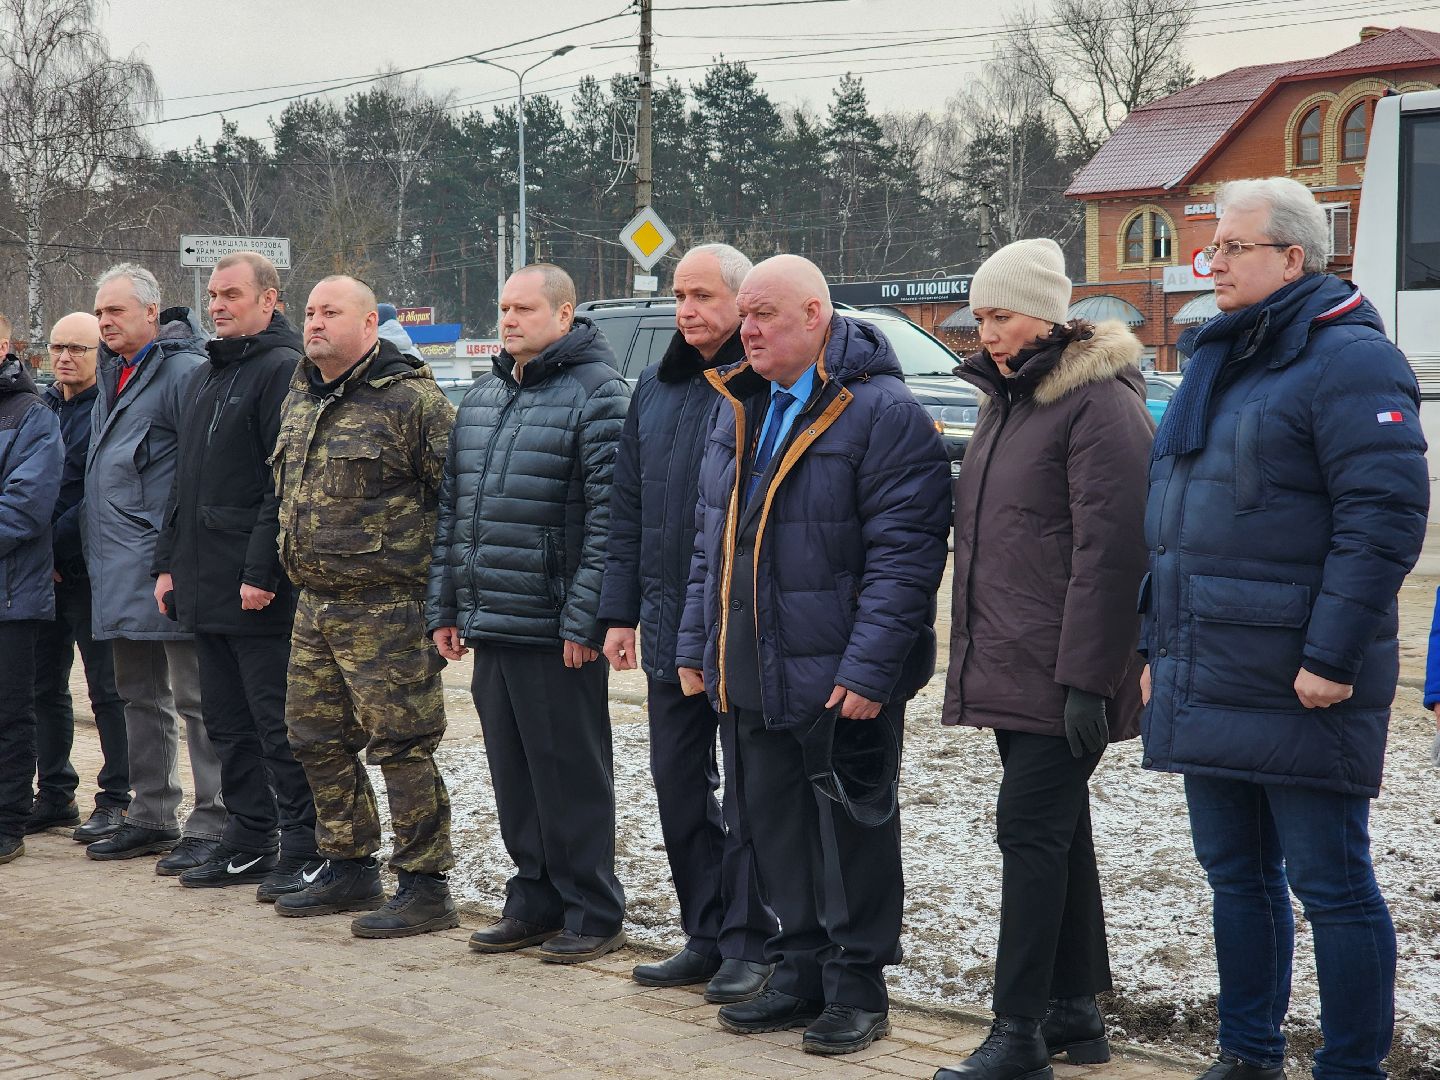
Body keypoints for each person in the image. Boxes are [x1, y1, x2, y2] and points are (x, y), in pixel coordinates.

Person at [1141, 177, 1428, 1080]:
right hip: (1211, 665)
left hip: (1302, 676)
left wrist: (1331, 656)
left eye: (1231, 247)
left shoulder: (1351, 359)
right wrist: (1156, 647)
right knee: (1237, 877)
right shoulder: (1227, 355)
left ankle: (1351, 1067)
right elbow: (1176, 520)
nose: (1212, 262)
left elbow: (1382, 518)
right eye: (1212, 247)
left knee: (1332, 886)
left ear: (1292, 258)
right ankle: (1248, 1052)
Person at [675, 254, 951, 1055]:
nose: (747, 329)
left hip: (839, 679)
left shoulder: (882, 412)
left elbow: (907, 558)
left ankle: (859, 988)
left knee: (851, 836)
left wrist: (868, 672)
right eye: (746, 314)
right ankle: (798, 971)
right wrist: (700, 643)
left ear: (816, 316)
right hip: (752, 664)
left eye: (764, 315)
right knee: (775, 828)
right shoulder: (740, 406)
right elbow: (710, 545)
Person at [933, 239, 1155, 1080]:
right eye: (981, 317)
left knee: (1028, 833)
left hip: (1065, 674)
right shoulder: (1009, 399)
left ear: (1051, 313)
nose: (987, 332)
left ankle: (1017, 1031)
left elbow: (1114, 552)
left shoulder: (1095, 402)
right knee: (1059, 837)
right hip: (1017, 661)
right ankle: (1074, 1013)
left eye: (1002, 315)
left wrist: (1086, 680)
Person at [428, 263, 630, 963]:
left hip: (554, 628)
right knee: (514, 773)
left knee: (569, 774)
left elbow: (609, 520)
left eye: (523, 308)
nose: (508, 319)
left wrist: (585, 619)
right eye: (503, 307)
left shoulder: (599, 394)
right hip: (492, 620)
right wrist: (447, 604)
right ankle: (535, 902)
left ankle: (593, 911)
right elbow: (456, 511)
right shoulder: (484, 397)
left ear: (565, 313)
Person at [600, 244, 776, 1000]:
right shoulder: (658, 386)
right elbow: (628, 506)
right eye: (679, 295)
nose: (687, 310)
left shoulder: (764, 383)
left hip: (740, 628)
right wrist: (618, 612)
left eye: (703, 295)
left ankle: (752, 939)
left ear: (742, 302)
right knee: (677, 783)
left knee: (749, 794)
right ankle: (703, 931)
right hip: (671, 624)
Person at [271, 275, 459, 938]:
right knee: (315, 738)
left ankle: (425, 883)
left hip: (389, 609)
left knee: (401, 745)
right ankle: (348, 864)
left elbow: (460, 506)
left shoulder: (414, 403)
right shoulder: (301, 395)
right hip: (315, 606)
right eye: (311, 310)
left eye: (331, 312)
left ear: (371, 323)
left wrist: (450, 602)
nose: (314, 322)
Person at [150, 251, 320, 901]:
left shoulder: (281, 370)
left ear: (269, 300)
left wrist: (262, 572)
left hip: (257, 591)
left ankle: (299, 844)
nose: (217, 304)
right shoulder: (208, 374)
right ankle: (249, 840)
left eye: (232, 295)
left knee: (275, 726)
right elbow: (183, 485)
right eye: (213, 295)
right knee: (226, 723)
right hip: (203, 581)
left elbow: (284, 486)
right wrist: (165, 564)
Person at [82, 265, 227, 872]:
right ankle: (150, 813)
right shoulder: (112, 372)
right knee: (137, 694)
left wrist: (173, 560)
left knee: (195, 698)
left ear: (152, 312)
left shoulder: (182, 371)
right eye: (100, 313)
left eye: (116, 311)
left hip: (163, 566)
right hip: (116, 564)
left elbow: (195, 472)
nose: (105, 322)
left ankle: (216, 820)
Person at [26, 313, 130, 843]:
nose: (65, 356)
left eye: (78, 349)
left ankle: (116, 798)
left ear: (100, 355)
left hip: (89, 570)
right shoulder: (42, 406)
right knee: (45, 687)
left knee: (107, 690)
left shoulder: (108, 410)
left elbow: (94, 497)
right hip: (40, 573)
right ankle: (55, 794)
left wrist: (51, 548)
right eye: (57, 346)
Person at [0, 323, 63, 866]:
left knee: (8, 713)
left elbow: (25, 507)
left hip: (10, 596)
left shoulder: (31, 415)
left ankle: (7, 822)